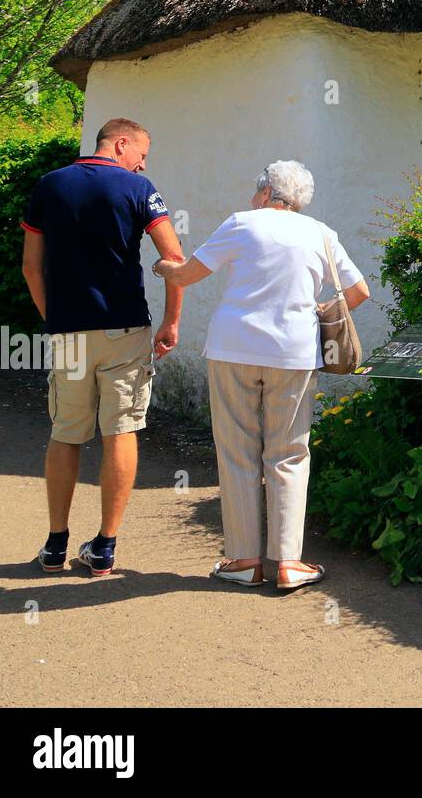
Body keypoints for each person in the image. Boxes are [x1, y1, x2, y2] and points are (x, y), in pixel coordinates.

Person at [154, 160, 369, 591]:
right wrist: (314, 314)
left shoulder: (243, 223)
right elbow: (359, 291)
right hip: (294, 353)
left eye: (256, 191)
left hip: (233, 348)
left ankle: (244, 561)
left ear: (267, 193)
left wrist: (163, 268)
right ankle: (288, 563)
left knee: (237, 451)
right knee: (289, 452)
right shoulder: (322, 233)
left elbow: (188, 275)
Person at [21, 118, 185, 577]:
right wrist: (171, 321)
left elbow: (31, 267)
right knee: (121, 430)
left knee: (66, 431)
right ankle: (106, 547)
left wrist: (54, 319)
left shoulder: (49, 186)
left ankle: (55, 546)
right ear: (120, 143)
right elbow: (174, 259)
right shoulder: (139, 189)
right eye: (142, 154)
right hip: (125, 328)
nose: (143, 163)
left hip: (70, 329)